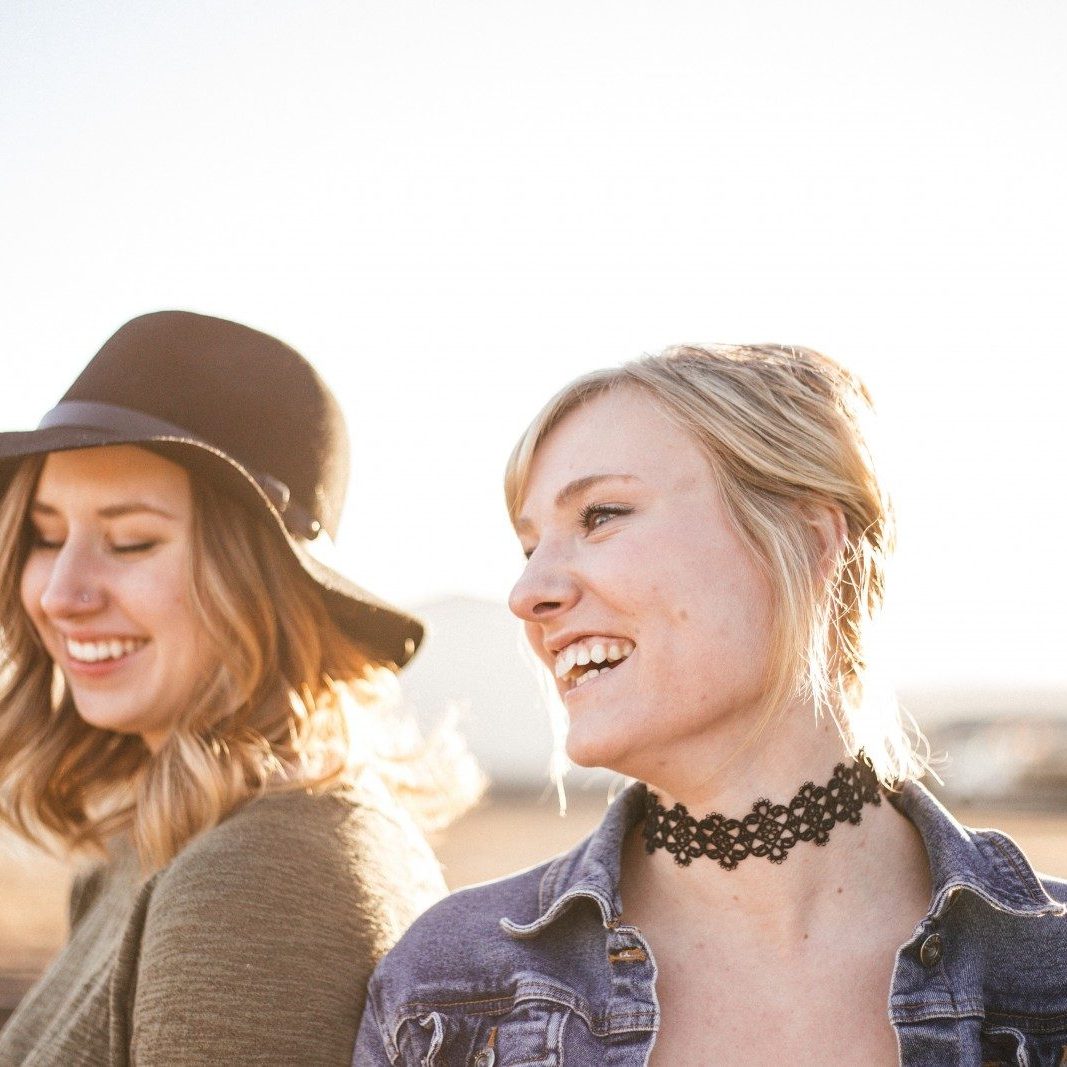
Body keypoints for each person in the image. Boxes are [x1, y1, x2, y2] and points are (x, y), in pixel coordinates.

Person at [355, 344, 1067, 1065]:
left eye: (600, 515)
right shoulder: (448, 991)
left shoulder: (1049, 969)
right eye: (529, 545)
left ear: (809, 542)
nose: (526, 594)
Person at [0, 311, 477, 1066]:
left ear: (261, 584)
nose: (61, 593)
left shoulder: (261, 879)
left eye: (131, 541)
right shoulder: (159, 844)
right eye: (46, 535)